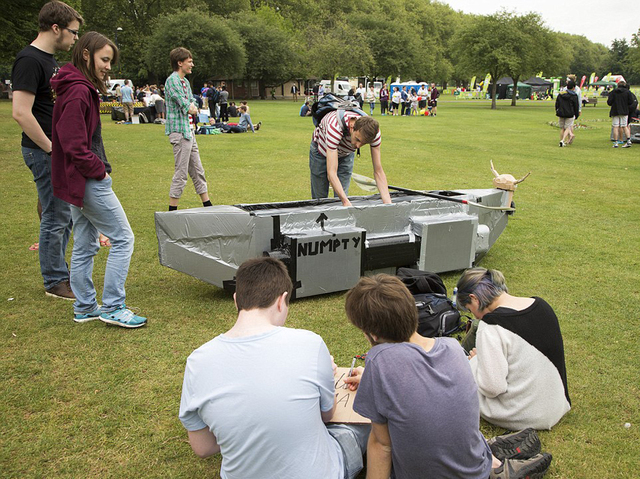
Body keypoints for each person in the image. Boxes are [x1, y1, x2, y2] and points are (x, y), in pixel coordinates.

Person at [344, 274, 553, 479]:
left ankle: (495, 463)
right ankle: (491, 461)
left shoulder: (378, 360)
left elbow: (382, 444)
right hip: (473, 467)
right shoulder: (452, 346)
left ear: (372, 333)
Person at [179, 257, 370, 479]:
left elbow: (203, 448)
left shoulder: (197, 361)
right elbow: (327, 415)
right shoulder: (309, 343)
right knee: (363, 425)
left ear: (235, 300)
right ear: (282, 300)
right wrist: (326, 374)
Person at [50, 31, 146, 328]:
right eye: (104, 59)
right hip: (87, 180)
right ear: (85, 55)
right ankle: (113, 307)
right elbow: (74, 145)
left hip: (77, 181)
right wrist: (99, 171)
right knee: (123, 239)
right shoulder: (78, 91)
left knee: (85, 244)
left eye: (110, 61)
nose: (108, 66)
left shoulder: (77, 88)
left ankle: (86, 307)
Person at [11, 0, 83, 301]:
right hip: (43, 151)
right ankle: (55, 280)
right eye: (72, 32)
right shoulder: (29, 60)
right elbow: (21, 112)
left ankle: (59, 273)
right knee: (56, 215)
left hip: (55, 151)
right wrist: (52, 147)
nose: (75, 38)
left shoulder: (50, 61)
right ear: (56, 28)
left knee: (60, 212)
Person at [456, 268, 571, 430]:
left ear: (474, 299)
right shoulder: (542, 305)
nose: (474, 316)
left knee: (459, 375)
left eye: (470, 309)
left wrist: (475, 362)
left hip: (523, 414)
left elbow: (492, 387)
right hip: (557, 405)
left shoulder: (491, 325)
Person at [309, 109, 391, 206]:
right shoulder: (335, 127)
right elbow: (331, 173)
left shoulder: (374, 133)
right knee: (320, 198)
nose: (358, 146)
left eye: (364, 143)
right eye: (357, 140)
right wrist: (346, 202)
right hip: (322, 152)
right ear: (352, 128)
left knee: (342, 194)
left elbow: (378, 171)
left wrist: (388, 204)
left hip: (345, 154)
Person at [165, 47, 212, 211]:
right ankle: (172, 211)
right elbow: (187, 106)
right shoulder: (172, 81)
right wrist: (193, 106)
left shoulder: (185, 82)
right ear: (180, 63)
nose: (192, 64)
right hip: (179, 132)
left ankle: (208, 206)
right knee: (181, 172)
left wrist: (194, 106)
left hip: (189, 131)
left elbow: (194, 103)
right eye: (189, 61)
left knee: (198, 170)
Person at [607, 80, 635, 148]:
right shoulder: (628, 92)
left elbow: (609, 102)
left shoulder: (613, 92)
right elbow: (631, 102)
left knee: (615, 126)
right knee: (625, 126)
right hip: (624, 111)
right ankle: (628, 140)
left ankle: (616, 142)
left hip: (615, 111)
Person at [555, 80, 579, 147]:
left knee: (562, 128)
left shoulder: (561, 94)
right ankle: (562, 140)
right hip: (570, 113)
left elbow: (557, 104)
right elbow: (576, 106)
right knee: (567, 127)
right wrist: (576, 114)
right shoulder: (574, 96)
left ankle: (562, 141)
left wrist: (557, 110)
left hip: (561, 113)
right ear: (573, 87)